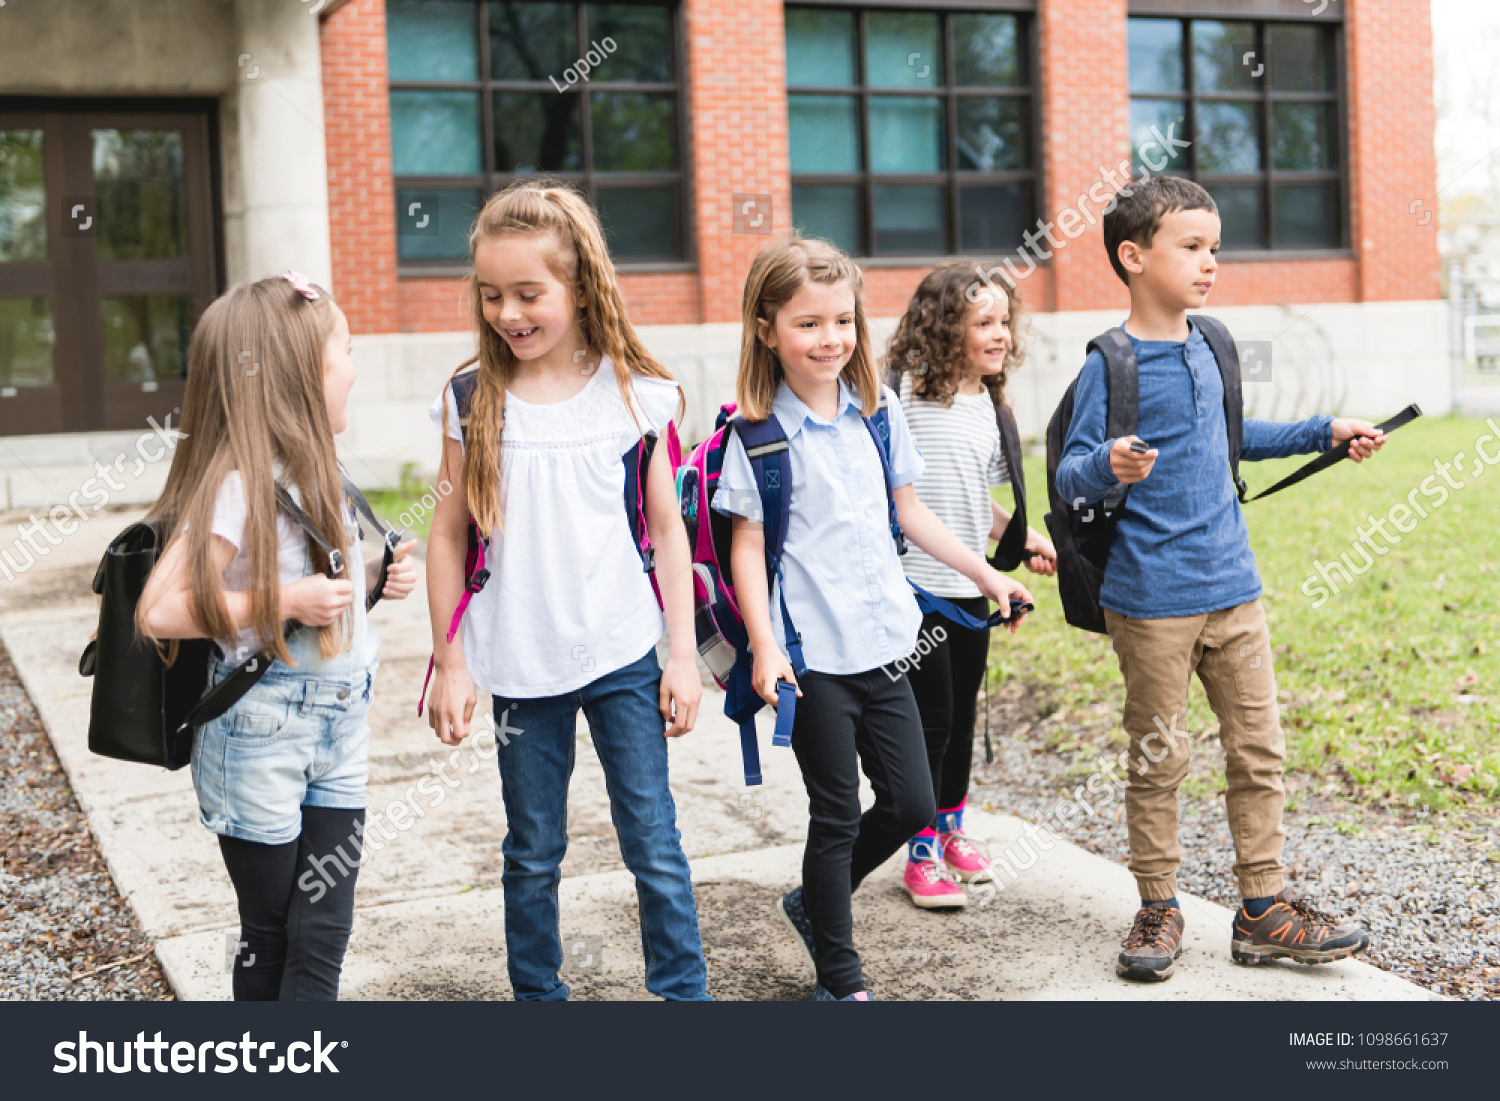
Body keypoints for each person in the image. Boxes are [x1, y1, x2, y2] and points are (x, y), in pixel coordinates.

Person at [1057, 175, 1381, 982]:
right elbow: (1067, 475)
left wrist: (1323, 432)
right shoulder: (1111, 362)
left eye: (1215, 248)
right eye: (1191, 247)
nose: (1210, 264)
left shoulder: (1214, 343)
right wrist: (1109, 463)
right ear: (1133, 258)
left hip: (1235, 590)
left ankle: (1263, 908)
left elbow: (1234, 434)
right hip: (1150, 602)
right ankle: (1159, 905)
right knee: (1159, 760)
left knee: (1259, 751)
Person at [714, 237, 1033, 1000]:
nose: (830, 340)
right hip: (812, 659)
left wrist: (987, 574)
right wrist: (764, 648)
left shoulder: (878, 412)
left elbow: (909, 511)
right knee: (834, 814)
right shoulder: (756, 436)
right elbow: (748, 551)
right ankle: (840, 976)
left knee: (911, 803)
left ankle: (812, 905)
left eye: (842, 321)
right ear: (766, 330)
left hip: (889, 644)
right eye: (807, 324)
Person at [423, 179, 710, 1001]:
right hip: (518, 664)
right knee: (533, 849)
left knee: (652, 838)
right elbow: (445, 533)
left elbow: (667, 533)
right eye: (490, 294)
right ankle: (539, 1003)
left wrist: (681, 657)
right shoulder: (471, 398)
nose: (508, 312)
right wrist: (450, 661)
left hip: (623, 653)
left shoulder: (637, 394)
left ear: (579, 287)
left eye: (527, 293)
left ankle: (685, 995)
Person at [138, 271, 419, 1000]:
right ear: (299, 376)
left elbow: (310, 588)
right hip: (261, 733)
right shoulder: (237, 482)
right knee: (273, 931)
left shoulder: (314, 467)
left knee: (323, 930)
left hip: (338, 726)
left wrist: (369, 581)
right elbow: (160, 610)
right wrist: (290, 597)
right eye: (347, 353)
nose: (356, 370)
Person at [885, 262, 1057, 908]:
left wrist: (1027, 538)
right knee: (928, 723)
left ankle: (953, 829)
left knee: (961, 721)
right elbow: (910, 500)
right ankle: (921, 850)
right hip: (916, 590)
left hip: (971, 593)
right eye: (983, 322)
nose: (1001, 335)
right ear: (941, 326)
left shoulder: (989, 405)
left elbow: (971, 501)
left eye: (1005, 322)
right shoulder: (904, 398)